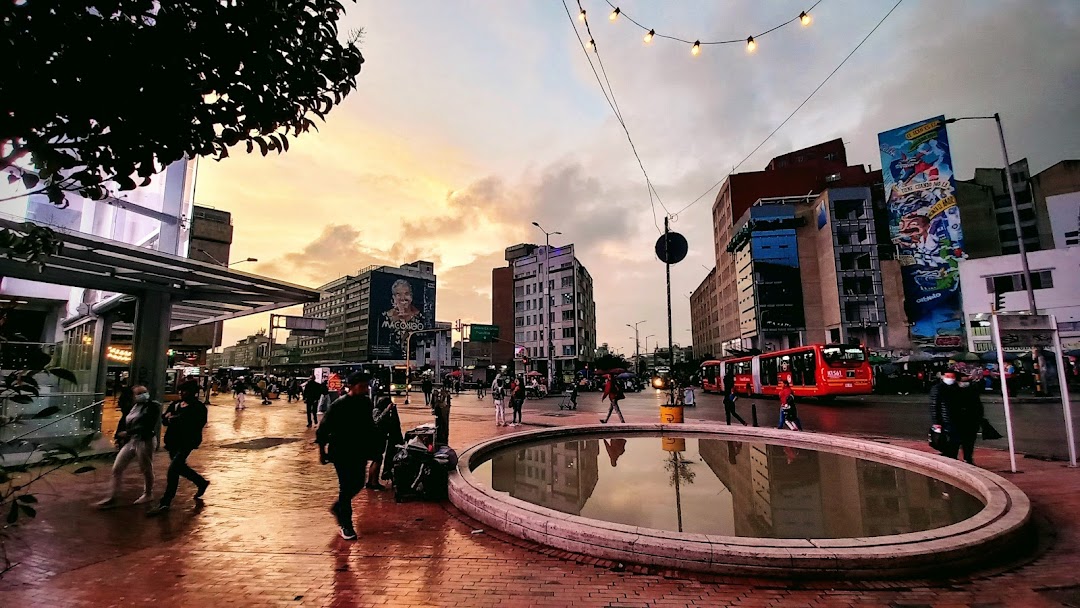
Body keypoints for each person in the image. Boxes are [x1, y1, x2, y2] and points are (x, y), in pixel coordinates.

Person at [316, 372, 378, 540]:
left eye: (366, 386)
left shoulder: (366, 403)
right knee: (345, 487)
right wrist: (322, 451)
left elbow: (368, 426)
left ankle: (338, 507)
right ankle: (346, 525)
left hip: (360, 450)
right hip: (341, 451)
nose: (365, 389)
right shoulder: (338, 405)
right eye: (362, 386)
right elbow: (323, 429)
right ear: (351, 386)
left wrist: (374, 449)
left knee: (358, 483)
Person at [94, 384, 160, 508]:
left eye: (144, 392)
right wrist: (120, 435)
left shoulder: (152, 406)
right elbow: (124, 420)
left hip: (145, 440)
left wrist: (128, 433)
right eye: (139, 393)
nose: (142, 395)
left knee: (146, 468)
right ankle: (112, 496)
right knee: (117, 468)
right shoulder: (132, 407)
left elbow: (148, 425)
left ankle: (148, 493)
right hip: (132, 441)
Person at [148, 386, 209, 515]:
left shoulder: (198, 407)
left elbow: (197, 423)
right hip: (173, 441)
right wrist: (168, 418)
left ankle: (165, 502)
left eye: (185, 391)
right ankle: (201, 482)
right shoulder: (175, 404)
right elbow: (165, 419)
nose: (181, 393)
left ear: (192, 393)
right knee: (180, 468)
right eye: (180, 391)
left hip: (187, 442)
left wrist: (176, 419)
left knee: (173, 470)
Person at [930, 369, 966, 460]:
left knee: (955, 442)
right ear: (943, 377)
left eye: (952, 377)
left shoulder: (958, 388)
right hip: (944, 421)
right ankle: (948, 457)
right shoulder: (938, 388)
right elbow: (934, 406)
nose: (950, 379)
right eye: (948, 376)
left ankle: (952, 458)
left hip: (957, 420)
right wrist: (936, 422)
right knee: (945, 441)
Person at [366, 391, 398, 490]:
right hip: (376, 438)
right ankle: (374, 482)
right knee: (377, 459)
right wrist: (386, 411)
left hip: (380, 438)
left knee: (377, 459)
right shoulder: (376, 411)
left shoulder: (377, 410)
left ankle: (371, 481)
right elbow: (377, 421)